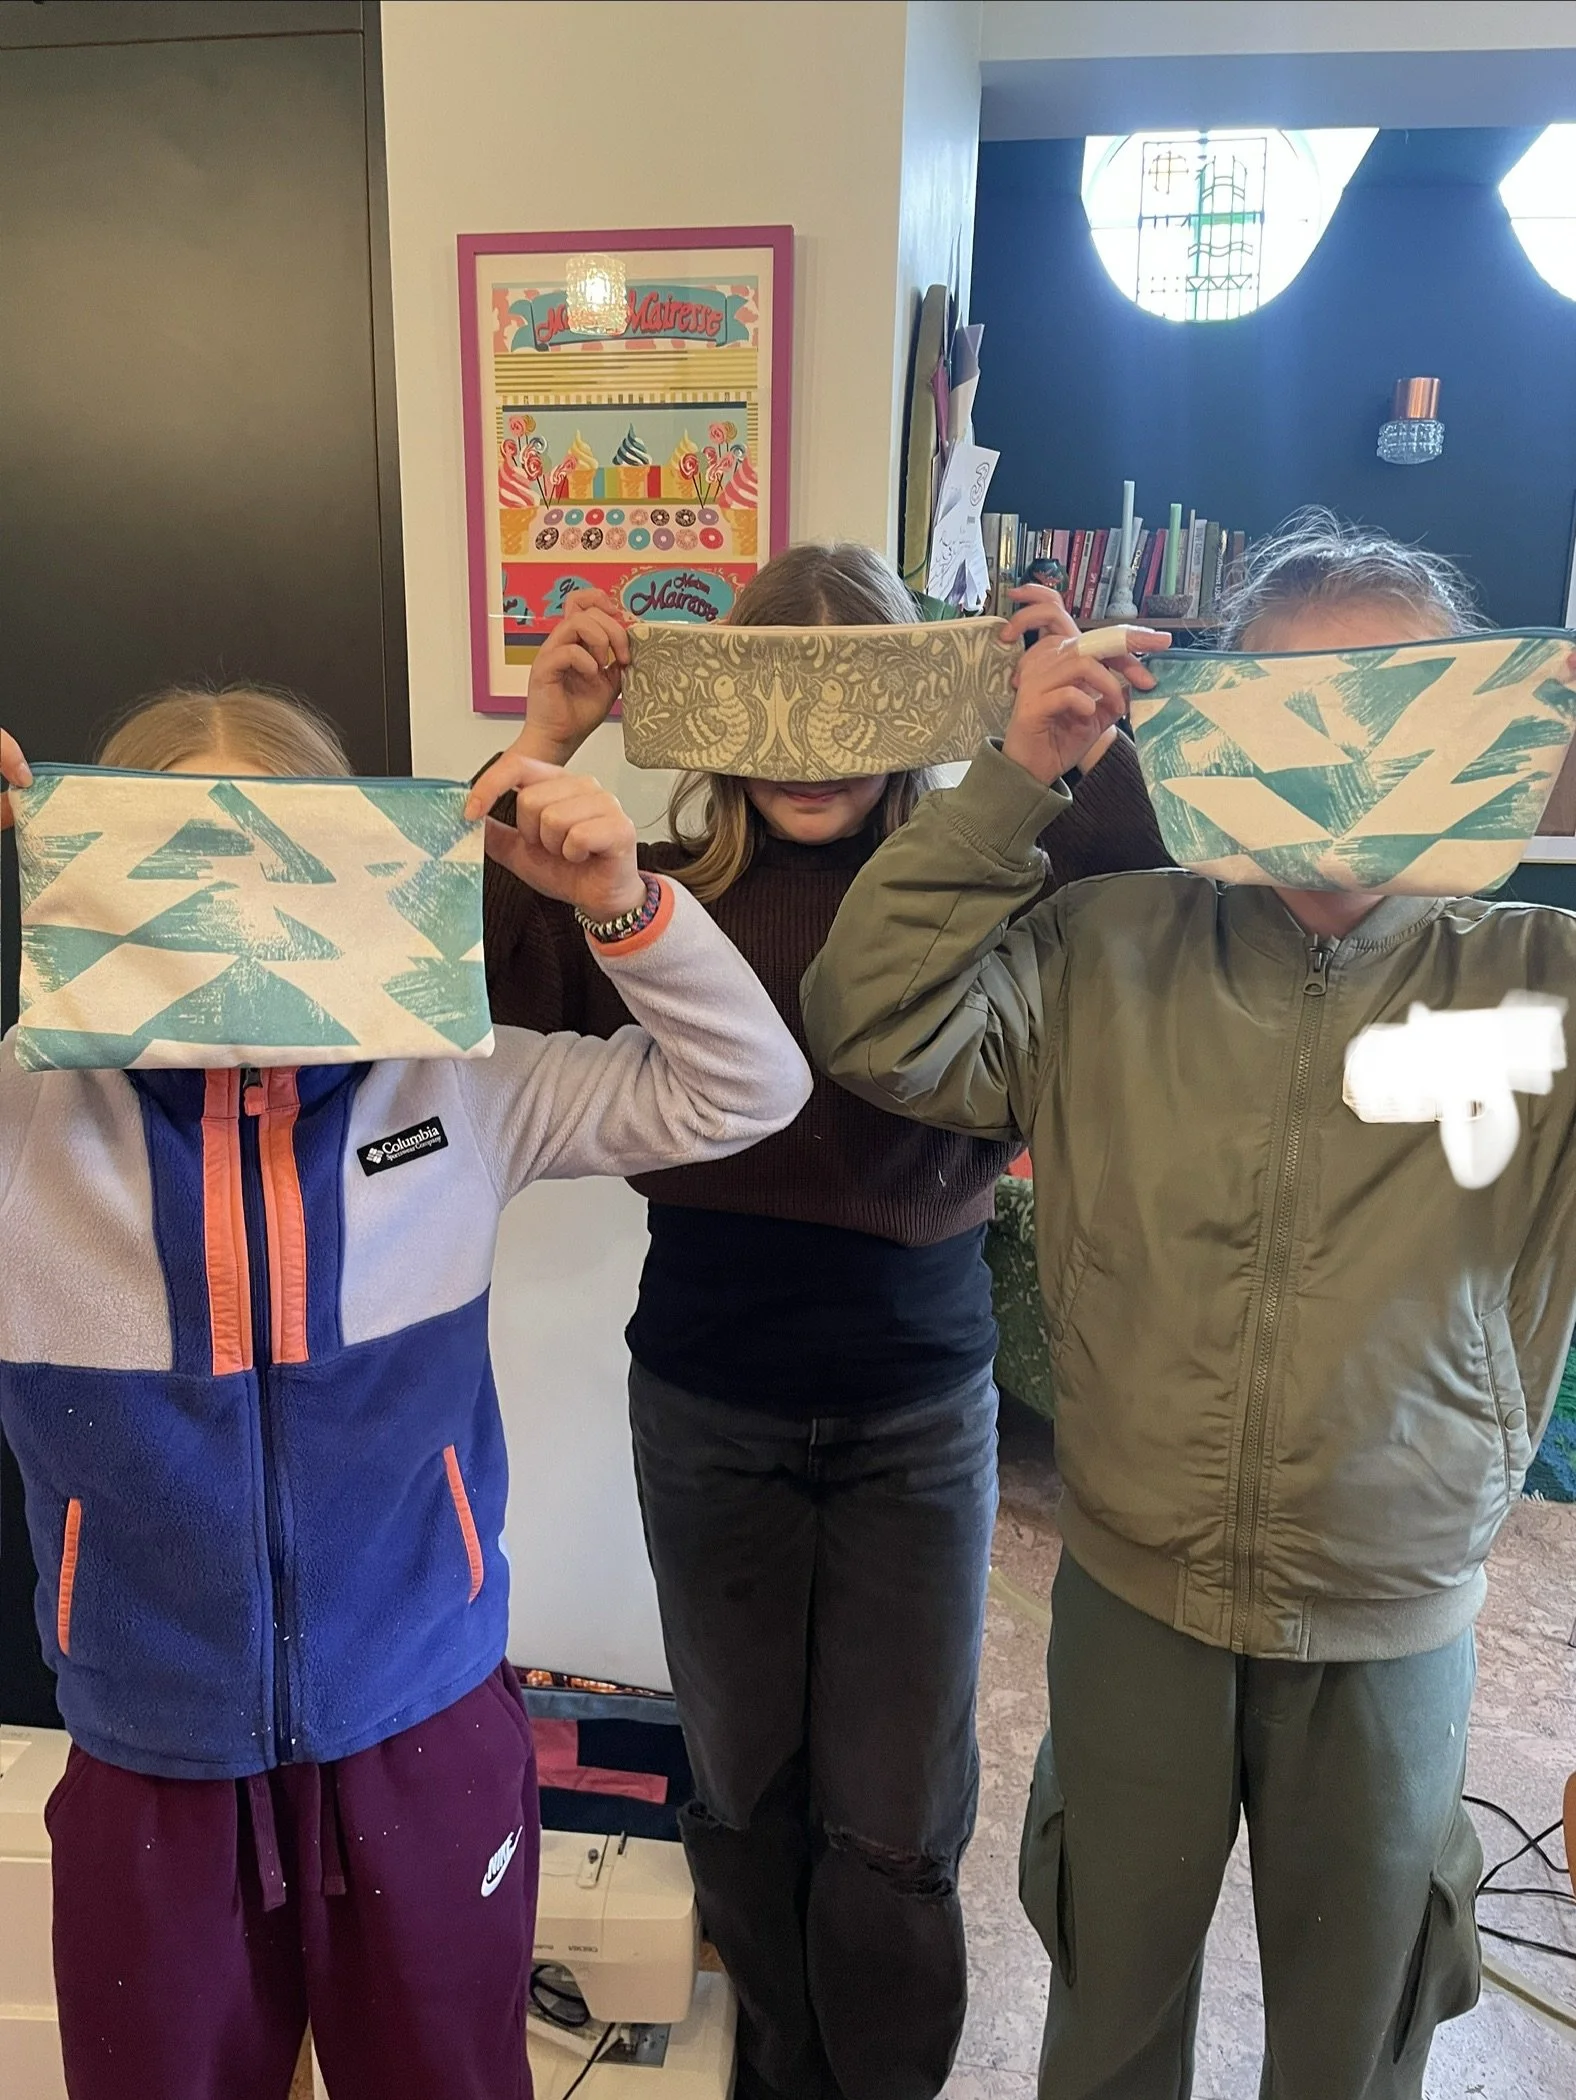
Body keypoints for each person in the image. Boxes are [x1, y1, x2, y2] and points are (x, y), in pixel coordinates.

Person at [800, 512, 1576, 2100]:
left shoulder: (1534, 982)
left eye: (1397, 714)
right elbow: (870, 1018)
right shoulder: (1110, 946)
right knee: (1112, 2009)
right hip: (1134, 1591)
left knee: (1355, 2036)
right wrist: (1017, 779)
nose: (1345, 770)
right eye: (1298, 714)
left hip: (1390, 1608)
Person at [0, 684, 810, 2100]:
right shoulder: (27, 1120)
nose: (237, 923)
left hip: (423, 1731)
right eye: (183, 868)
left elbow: (746, 1090)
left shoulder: (454, 1087)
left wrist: (621, 906)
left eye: (281, 867)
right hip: (150, 1756)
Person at [470, 544, 1171, 2100]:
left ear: (917, 707)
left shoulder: (980, 881)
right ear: (720, 712)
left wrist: (1076, 722)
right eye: (775, 702)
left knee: (896, 1814)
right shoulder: (649, 886)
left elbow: (1136, 892)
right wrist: (547, 736)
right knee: (742, 1783)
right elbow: (478, 969)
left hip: (914, 1402)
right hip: (708, 1392)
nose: (813, 750)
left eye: (858, 702)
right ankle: (778, 2068)